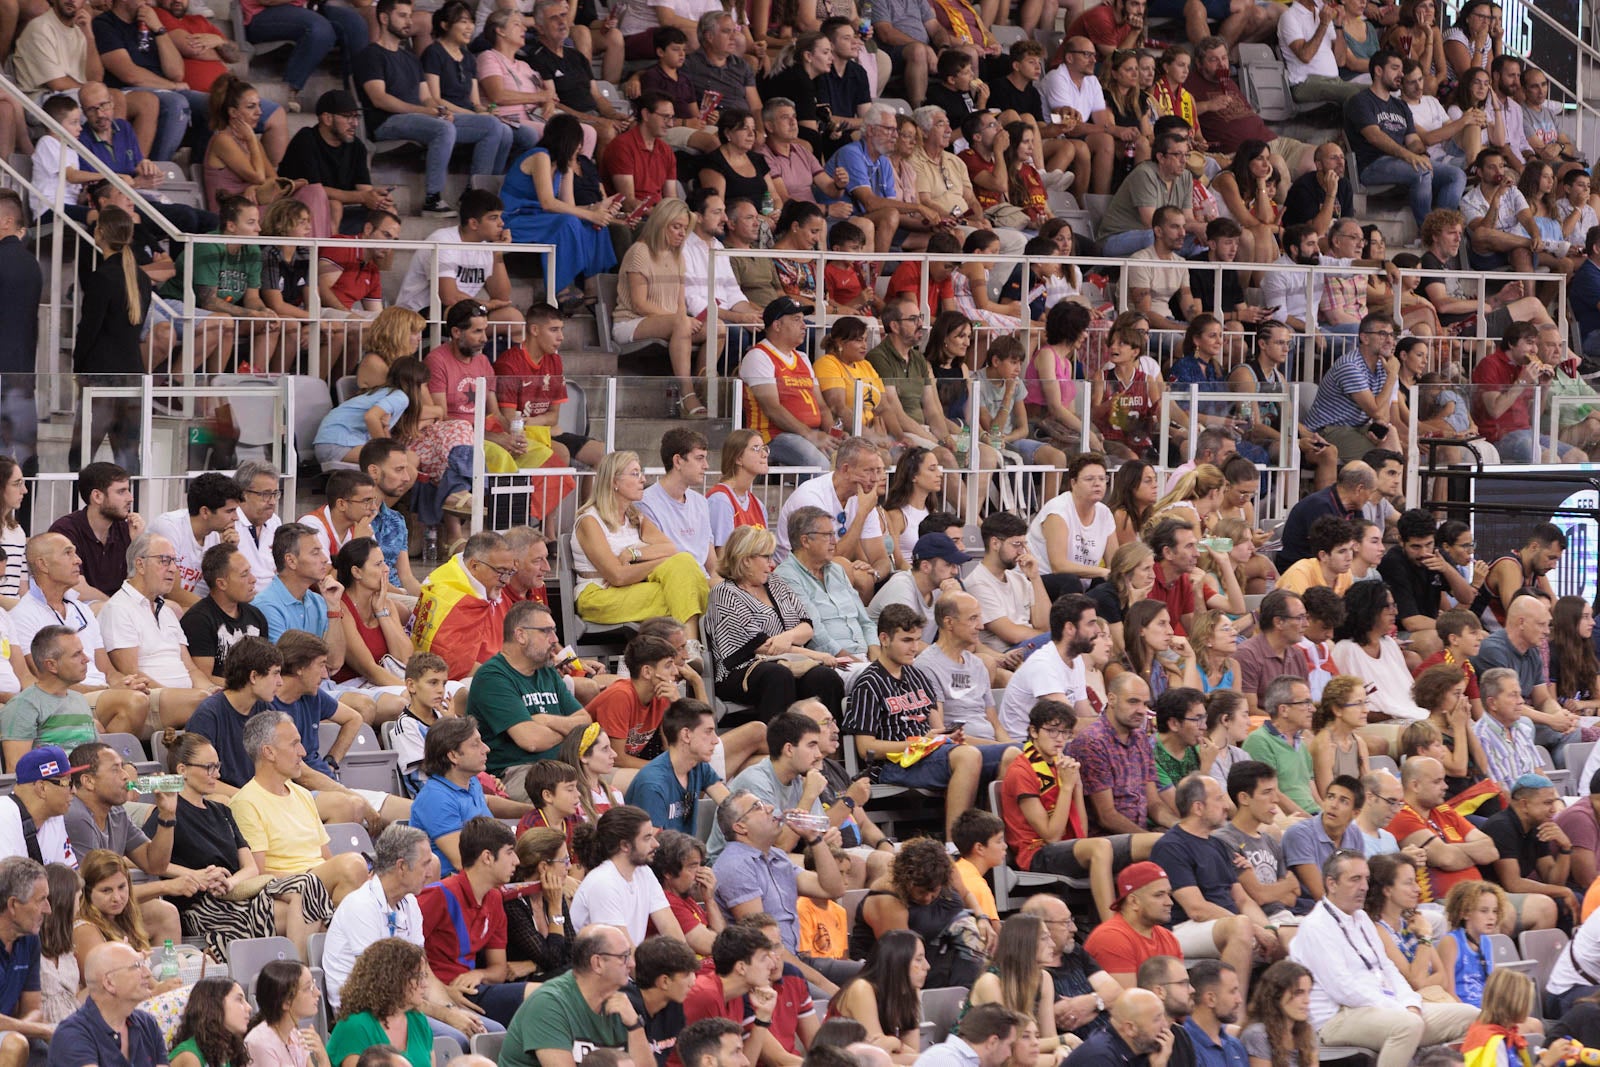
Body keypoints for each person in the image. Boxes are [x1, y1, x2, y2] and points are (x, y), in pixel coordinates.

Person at [156, 730, 333, 961]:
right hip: (201, 905)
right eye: (209, 768)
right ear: (183, 770)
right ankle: (298, 976)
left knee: (310, 888)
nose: (217, 774)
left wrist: (229, 883)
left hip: (235, 894)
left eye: (217, 766)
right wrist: (196, 876)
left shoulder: (223, 811)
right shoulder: (168, 811)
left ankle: (297, 974)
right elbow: (149, 861)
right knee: (314, 906)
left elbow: (250, 867)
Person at [1290, 849, 1478, 1066]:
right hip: (1337, 1017)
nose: (1363, 887)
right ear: (1332, 884)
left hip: (1385, 1006)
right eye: (1355, 879)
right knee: (1406, 1026)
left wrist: (1410, 1003)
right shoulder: (1316, 926)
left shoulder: (1361, 917)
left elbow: (1387, 967)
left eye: (1366, 879)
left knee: (1471, 1016)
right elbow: (1343, 989)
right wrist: (1398, 1008)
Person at [1151, 775, 1283, 996]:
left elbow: (1242, 899)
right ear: (1198, 807)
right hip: (1183, 928)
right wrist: (1253, 927)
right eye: (1219, 799)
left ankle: (1263, 1011)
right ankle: (1234, 1016)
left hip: (1226, 924)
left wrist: (1267, 930)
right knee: (1240, 927)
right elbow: (1197, 909)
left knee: (1284, 940)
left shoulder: (1218, 845)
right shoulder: (1171, 846)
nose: (1226, 806)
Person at [226, 711, 373, 906]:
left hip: (317, 878)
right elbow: (259, 875)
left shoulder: (302, 794)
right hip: (288, 885)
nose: (302, 752)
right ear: (269, 752)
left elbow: (326, 857)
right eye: (294, 744)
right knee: (354, 864)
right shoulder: (245, 802)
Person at [501, 923, 658, 1067]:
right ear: (597, 963)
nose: (632, 964)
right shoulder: (549, 1004)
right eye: (624, 957)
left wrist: (634, 1025)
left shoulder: (621, 1004)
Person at [1344, 50, 1467, 227]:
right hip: (1372, 164)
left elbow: (1413, 140)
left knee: (1456, 175)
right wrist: (1408, 156)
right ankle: (1428, 231)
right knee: (1421, 171)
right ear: (1378, 71)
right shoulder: (1361, 101)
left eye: (1401, 70)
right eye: (1395, 68)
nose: (1401, 74)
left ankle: (1441, 229)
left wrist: (1420, 153)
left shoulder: (1400, 105)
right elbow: (1375, 136)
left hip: (1400, 163)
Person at [410, 717, 531, 875]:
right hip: (455, 889)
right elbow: (464, 862)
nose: (486, 748)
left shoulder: (470, 781)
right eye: (475, 744)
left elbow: (486, 802)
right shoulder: (436, 799)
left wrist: (532, 810)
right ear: (453, 756)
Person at [49, 940, 167, 1067]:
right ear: (109, 983)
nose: (148, 974)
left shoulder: (148, 1023)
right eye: (137, 966)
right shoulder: (72, 1035)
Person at [325, 937, 435, 1067]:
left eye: (424, 976)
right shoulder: (355, 1027)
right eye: (418, 977)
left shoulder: (419, 1021)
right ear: (394, 980)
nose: (425, 985)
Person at [1214, 761, 1300, 924]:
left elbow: (1292, 898)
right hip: (1258, 923)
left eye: (1275, 791)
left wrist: (1278, 890)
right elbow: (1259, 896)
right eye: (1267, 792)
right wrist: (1286, 885)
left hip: (1286, 917)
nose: (1275, 799)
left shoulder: (1270, 842)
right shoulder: (1225, 840)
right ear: (1244, 798)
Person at [245, 959, 334, 1067]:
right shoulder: (260, 1043)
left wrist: (322, 1057)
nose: (317, 992)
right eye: (308, 988)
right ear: (286, 1002)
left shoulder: (294, 1034)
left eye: (314, 985)